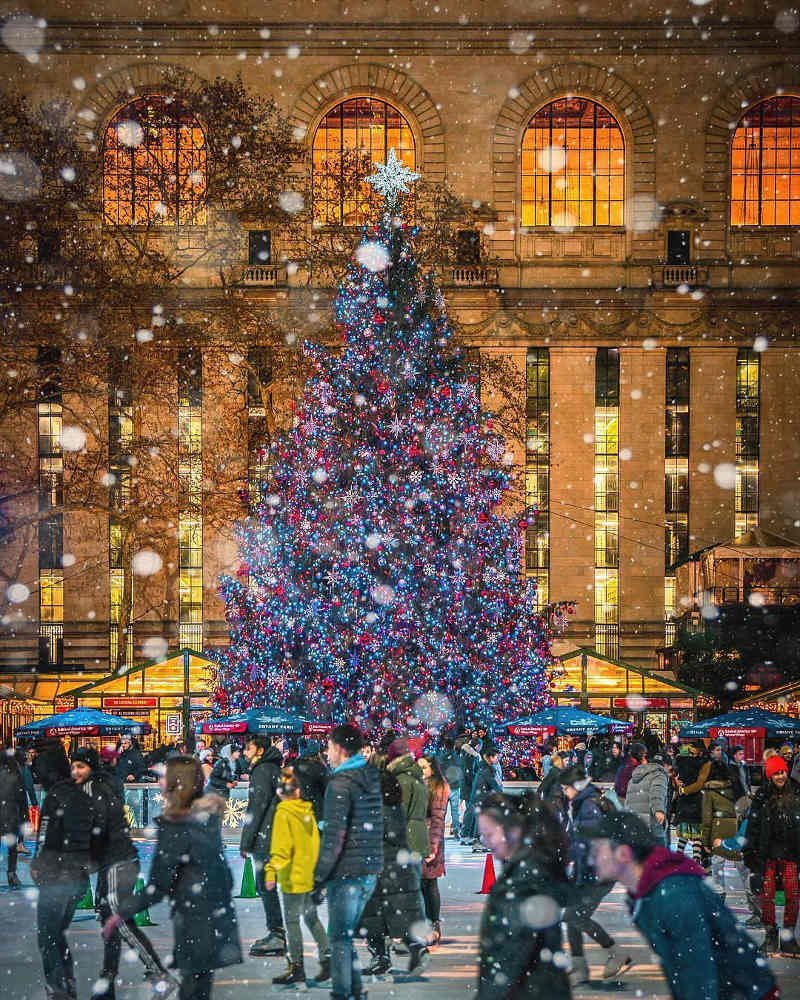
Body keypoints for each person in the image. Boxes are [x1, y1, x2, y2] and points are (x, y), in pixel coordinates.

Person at [589, 812, 779, 1000]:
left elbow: (698, 969)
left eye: (597, 850)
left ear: (623, 853)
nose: (591, 858)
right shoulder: (643, 893)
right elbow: (679, 968)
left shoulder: (673, 894)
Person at [104, 755, 242, 1000]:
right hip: (216, 916)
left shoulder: (178, 825)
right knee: (199, 987)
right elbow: (224, 877)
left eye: (163, 777)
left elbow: (159, 885)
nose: (159, 782)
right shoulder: (206, 817)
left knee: (192, 990)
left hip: (195, 918)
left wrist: (120, 913)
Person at [68, 747, 173, 1000]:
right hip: (114, 861)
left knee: (118, 921)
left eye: (81, 766)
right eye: (74, 766)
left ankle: (160, 974)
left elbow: (98, 828)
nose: (75, 771)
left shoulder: (95, 789)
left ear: (92, 767)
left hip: (118, 861)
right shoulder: (101, 786)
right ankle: (107, 984)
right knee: (110, 924)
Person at [476, 792, 571, 1000]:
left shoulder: (523, 882)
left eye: (489, 834)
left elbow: (509, 956)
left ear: (513, 830)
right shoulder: (529, 869)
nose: (486, 842)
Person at [313, 724, 384, 1000]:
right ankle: (354, 990)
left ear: (340, 749)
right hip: (368, 868)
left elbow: (334, 836)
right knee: (346, 934)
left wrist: (319, 876)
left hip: (346, 871)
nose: (327, 753)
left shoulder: (340, 783)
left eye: (329, 747)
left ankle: (343, 994)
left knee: (340, 939)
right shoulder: (370, 776)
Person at [31, 758, 103, 1000]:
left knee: (48, 935)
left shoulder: (56, 796)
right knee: (56, 932)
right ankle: (65, 984)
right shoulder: (91, 796)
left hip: (57, 874)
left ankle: (60, 988)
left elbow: (45, 834)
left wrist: (39, 864)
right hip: (77, 877)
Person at [558, 766, 631, 985]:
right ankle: (579, 969)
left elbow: (590, 843)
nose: (564, 792)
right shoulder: (584, 803)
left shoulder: (589, 806)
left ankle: (615, 952)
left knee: (574, 917)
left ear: (576, 787)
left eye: (566, 788)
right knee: (571, 918)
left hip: (599, 874)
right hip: (590, 871)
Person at [358, 763, 430, 976]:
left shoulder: (374, 810)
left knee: (372, 917)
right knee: (400, 915)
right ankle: (416, 949)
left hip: (380, 869)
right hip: (399, 868)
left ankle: (380, 957)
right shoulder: (394, 806)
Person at [264, 766, 330, 988]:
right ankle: (327, 957)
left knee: (292, 922)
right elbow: (314, 844)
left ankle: (297, 967)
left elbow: (282, 847)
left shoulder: (284, 813)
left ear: (281, 792)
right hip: (307, 874)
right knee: (311, 918)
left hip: (292, 876)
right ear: (298, 792)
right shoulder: (307, 812)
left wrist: (271, 870)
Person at [744, 754, 800, 955]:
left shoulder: (796, 792)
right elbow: (753, 825)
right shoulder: (762, 796)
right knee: (766, 896)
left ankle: (788, 937)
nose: (780, 776)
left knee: (793, 896)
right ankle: (770, 934)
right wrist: (750, 851)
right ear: (769, 775)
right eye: (776, 773)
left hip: (790, 853)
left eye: (783, 771)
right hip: (766, 853)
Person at [239, 734, 286, 956]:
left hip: (266, 836)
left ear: (259, 750)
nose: (244, 754)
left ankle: (277, 934)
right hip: (276, 832)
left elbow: (256, 807)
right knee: (268, 884)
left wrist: (246, 841)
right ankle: (277, 933)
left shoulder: (261, 771)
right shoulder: (275, 768)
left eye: (248, 749)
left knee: (265, 885)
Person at [419, 754, 449, 945]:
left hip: (431, 838)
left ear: (432, 768)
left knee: (429, 884)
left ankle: (434, 925)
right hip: (423, 837)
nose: (420, 771)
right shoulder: (424, 784)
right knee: (423, 884)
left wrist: (433, 847)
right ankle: (428, 925)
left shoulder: (438, 787)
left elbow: (438, 818)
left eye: (423, 767)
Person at [386, 738, 431, 860]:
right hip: (418, 837)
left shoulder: (402, 780)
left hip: (408, 839)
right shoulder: (415, 776)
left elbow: (400, 813)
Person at [671, 740, 709, 866]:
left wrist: (682, 789)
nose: (692, 755)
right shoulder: (704, 763)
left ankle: (683, 857)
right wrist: (679, 785)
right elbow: (699, 783)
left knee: (687, 831)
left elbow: (697, 783)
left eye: (694, 753)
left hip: (689, 801)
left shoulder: (682, 762)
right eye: (691, 753)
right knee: (694, 832)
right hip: (695, 800)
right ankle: (695, 859)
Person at [624, 744, 669, 846]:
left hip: (635, 823)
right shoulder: (659, 775)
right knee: (659, 853)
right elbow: (657, 792)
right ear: (665, 765)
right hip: (650, 822)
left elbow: (628, 800)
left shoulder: (634, 777)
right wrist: (659, 810)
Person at [466, 742, 503, 852]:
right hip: (480, 798)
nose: (498, 759)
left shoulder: (485, 767)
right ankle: (478, 842)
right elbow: (494, 785)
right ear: (491, 757)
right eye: (497, 757)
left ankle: (480, 841)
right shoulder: (487, 770)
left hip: (480, 797)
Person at [0, 749, 26, 888]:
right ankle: (11, 874)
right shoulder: (16, 774)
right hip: (11, 815)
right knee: (12, 848)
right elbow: (22, 799)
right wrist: (24, 815)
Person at [292, 740, 328, 825]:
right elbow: (327, 791)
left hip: (296, 814)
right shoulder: (319, 769)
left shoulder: (292, 767)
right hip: (315, 814)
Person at [437, 736, 464, 838]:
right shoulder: (458, 758)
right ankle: (456, 830)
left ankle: (440, 831)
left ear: (444, 746)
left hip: (444, 787)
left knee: (442, 811)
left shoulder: (440, 758)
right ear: (453, 746)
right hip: (455, 787)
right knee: (455, 811)